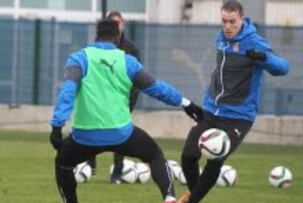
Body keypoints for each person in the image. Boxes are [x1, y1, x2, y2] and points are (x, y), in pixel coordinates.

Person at [49, 19, 203, 203]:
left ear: (96, 36)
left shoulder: (79, 58)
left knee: (63, 163)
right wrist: (186, 103)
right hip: (121, 134)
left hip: (85, 136)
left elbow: (68, 90)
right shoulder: (127, 61)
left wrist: (57, 126)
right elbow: (156, 88)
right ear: (118, 37)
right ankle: (169, 197)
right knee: (155, 155)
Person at [177, 1, 289, 203]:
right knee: (188, 156)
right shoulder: (221, 37)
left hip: (238, 117)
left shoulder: (254, 41)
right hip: (211, 111)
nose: (227, 26)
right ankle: (194, 195)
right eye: (224, 21)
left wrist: (264, 57)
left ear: (241, 19)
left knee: (215, 160)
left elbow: (283, 68)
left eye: (232, 22)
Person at [86, 11, 142, 184]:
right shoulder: (97, 47)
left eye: (119, 23)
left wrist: (129, 102)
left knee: (121, 136)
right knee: (92, 130)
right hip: (100, 100)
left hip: (122, 101)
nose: (117, 26)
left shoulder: (131, 49)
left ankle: (117, 174)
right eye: (113, 23)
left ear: (123, 25)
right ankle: (89, 167)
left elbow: (137, 79)